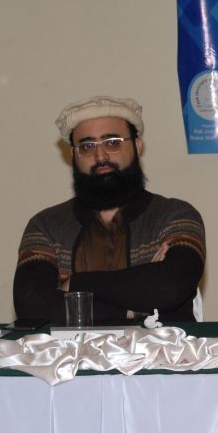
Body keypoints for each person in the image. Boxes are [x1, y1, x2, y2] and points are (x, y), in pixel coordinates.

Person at [13, 95, 206, 323]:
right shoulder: (46, 226)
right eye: (87, 146)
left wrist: (74, 284)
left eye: (113, 142)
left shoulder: (175, 216)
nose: (100, 156)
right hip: (68, 348)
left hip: (162, 347)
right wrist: (133, 310)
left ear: (137, 146)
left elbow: (168, 288)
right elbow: (31, 304)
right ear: (74, 155)